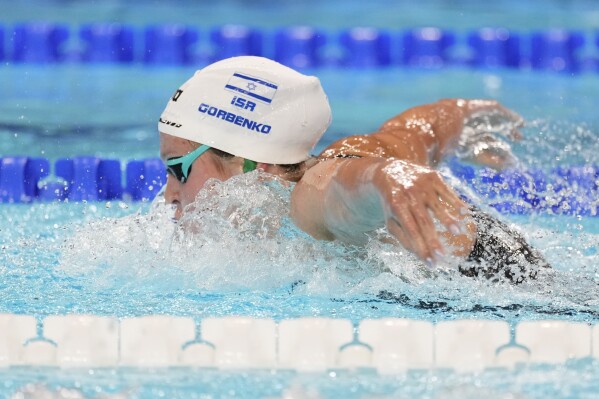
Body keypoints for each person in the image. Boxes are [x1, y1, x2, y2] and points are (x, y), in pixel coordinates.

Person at [158, 56, 549, 283]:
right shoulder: (349, 152)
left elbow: (342, 192)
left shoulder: (306, 197)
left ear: (254, 167)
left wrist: (386, 178)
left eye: (178, 169)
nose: (169, 194)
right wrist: (464, 118)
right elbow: (418, 129)